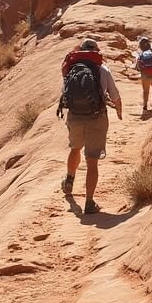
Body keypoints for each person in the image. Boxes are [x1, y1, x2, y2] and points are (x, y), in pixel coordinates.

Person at [57, 38, 123, 215]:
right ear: (96, 51)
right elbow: (114, 94)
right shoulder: (102, 69)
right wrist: (119, 110)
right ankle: (89, 202)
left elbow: (65, 93)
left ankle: (69, 179)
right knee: (92, 161)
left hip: (75, 116)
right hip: (97, 117)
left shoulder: (71, 68)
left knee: (75, 148)